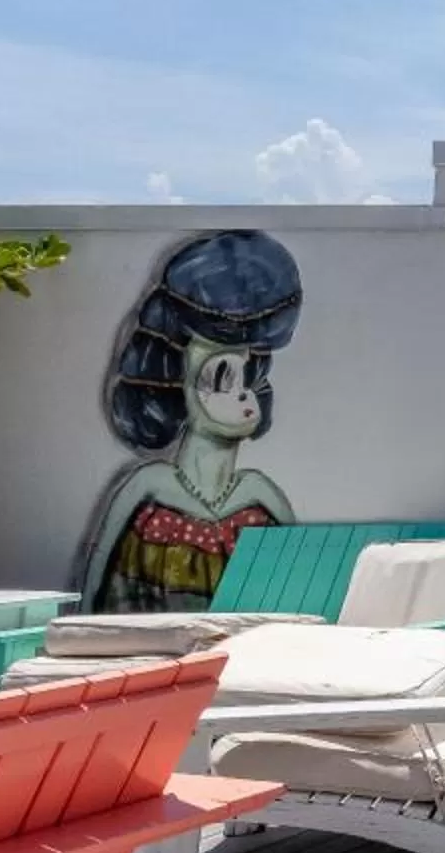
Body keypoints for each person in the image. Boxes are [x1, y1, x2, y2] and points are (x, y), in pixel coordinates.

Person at [76, 230, 304, 611]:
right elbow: (94, 583)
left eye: (249, 376)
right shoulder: (148, 486)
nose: (244, 393)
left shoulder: (261, 497)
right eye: (220, 378)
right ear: (174, 384)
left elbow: (301, 586)